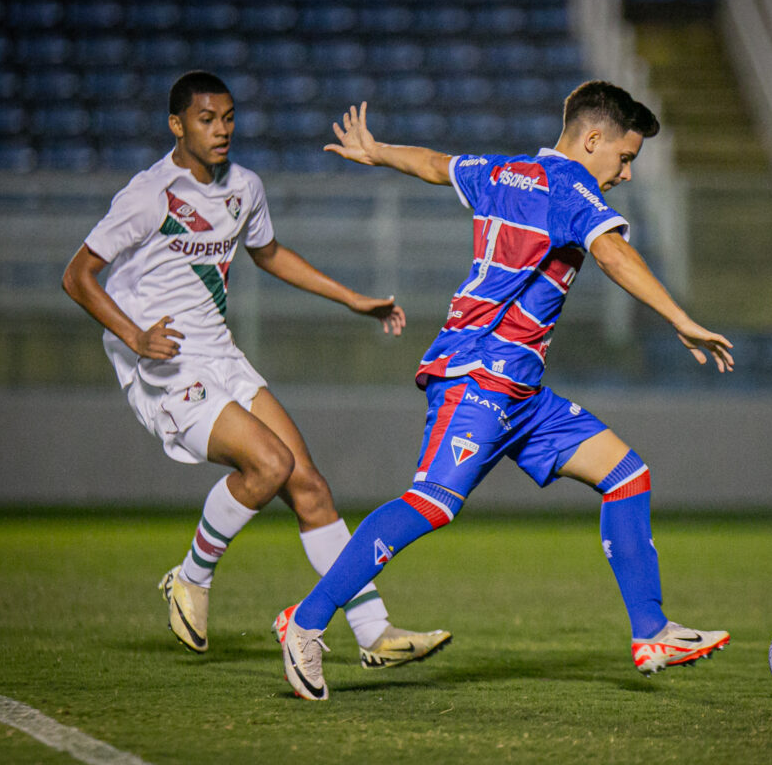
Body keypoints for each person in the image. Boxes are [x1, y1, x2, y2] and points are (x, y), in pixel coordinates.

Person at [277, 81, 734, 700]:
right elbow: (613, 255)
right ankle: (304, 623)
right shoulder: (574, 188)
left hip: (522, 390)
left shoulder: (505, 171)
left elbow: (437, 166)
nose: (625, 174)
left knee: (626, 474)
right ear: (592, 140)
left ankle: (651, 631)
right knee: (432, 503)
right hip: (478, 374)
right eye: (624, 158)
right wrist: (680, 318)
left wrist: (377, 149)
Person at [61, 71, 451, 668]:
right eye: (205, 119)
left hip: (222, 355)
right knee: (270, 464)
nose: (221, 130)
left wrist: (352, 299)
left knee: (309, 485)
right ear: (177, 125)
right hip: (166, 365)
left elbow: (267, 253)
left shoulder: (244, 186)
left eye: (228, 118)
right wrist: (135, 336)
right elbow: (77, 275)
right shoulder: (149, 195)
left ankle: (375, 632)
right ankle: (191, 577)